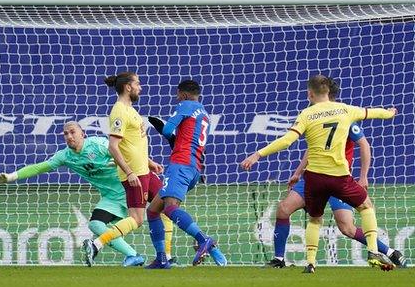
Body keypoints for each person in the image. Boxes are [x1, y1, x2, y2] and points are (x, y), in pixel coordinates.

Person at [241, 74, 397, 273]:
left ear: (309, 93)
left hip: (315, 178)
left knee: (332, 223)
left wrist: (257, 154)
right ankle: (280, 258)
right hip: (338, 178)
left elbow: (287, 141)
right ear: (329, 92)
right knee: (285, 209)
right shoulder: (346, 110)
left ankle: (313, 262)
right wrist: (390, 113)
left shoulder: (307, 114)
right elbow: (373, 112)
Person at [0, 121, 177, 266]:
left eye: (73, 132)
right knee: (95, 223)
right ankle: (133, 255)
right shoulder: (65, 156)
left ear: (82, 134)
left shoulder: (98, 144)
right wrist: (10, 177)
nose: (69, 136)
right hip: (110, 196)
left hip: (128, 186)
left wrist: (150, 162)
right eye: (65, 134)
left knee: (162, 210)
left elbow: (125, 152)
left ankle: (167, 255)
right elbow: (39, 167)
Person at [82, 71, 172, 266]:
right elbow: (113, 146)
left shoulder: (131, 110)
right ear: (128, 87)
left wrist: (149, 162)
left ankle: (166, 257)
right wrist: (130, 172)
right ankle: (97, 243)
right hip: (134, 175)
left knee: (166, 206)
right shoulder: (119, 111)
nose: (140, 87)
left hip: (145, 171)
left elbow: (132, 144)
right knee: (137, 219)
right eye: (137, 83)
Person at [145, 80, 227, 268]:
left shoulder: (185, 105)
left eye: (177, 96)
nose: (176, 99)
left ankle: (204, 240)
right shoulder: (204, 114)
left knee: (170, 208)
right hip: (194, 167)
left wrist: (162, 127)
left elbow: (167, 129)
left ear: (182, 94)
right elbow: (186, 138)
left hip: (180, 164)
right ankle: (162, 259)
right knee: (153, 210)